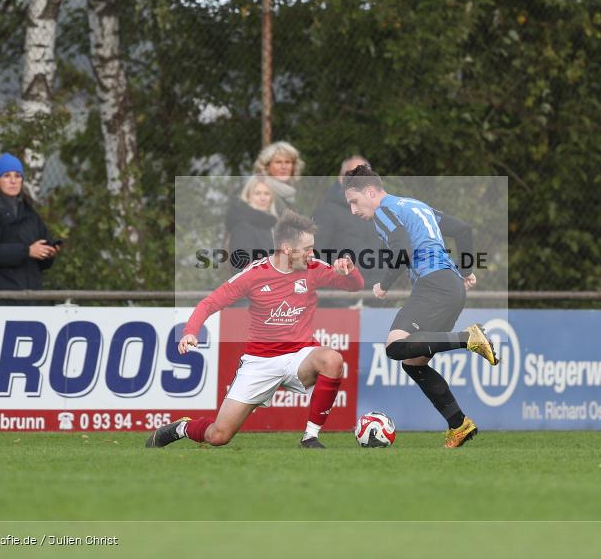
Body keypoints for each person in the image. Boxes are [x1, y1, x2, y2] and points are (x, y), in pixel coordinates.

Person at [146, 211, 364, 449]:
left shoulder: (313, 268)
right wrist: (190, 331)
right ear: (287, 249)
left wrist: (349, 270)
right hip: (260, 361)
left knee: (332, 359)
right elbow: (210, 303)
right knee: (218, 435)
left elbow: (354, 286)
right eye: (307, 248)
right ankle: (183, 427)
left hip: (299, 357)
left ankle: (310, 437)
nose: (313, 254)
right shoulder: (254, 274)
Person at [342, 164, 498, 448]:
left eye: (354, 201)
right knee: (413, 363)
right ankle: (459, 424)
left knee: (395, 345)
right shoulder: (415, 205)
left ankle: (469, 338)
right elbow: (463, 229)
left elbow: (403, 250)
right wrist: (465, 270)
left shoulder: (384, 211)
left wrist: (384, 284)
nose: (354, 210)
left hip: (434, 286)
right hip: (449, 287)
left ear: (370, 191)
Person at [0, 153, 60, 302]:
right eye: (7, 176)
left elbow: (42, 263)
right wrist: (27, 251)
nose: (13, 181)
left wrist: (48, 253)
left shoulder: (30, 213)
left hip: (30, 297)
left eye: (17, 176)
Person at [313, 155, 385, 296]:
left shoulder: (378, 212)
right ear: (341, 178)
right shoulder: (326, 212)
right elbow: (316, 254)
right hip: (338, 296)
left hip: (375, 295)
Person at [226, 175, 277, 272]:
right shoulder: (242, 227)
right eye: (257, 193)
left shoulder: (272, 226)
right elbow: (241, 269)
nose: (263, 198)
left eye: (267, 193)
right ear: (248, 196)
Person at [252, 141, 304, 214]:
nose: (284, 167)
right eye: (278, 162)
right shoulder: (259, 188)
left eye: (288, 162)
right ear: (267, 166)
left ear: (294, 166)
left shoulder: (288, 192)